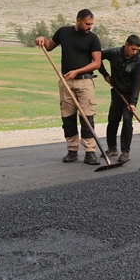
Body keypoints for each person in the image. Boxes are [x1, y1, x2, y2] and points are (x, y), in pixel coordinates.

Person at [35, 9, 102, 165]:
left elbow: (97, 63)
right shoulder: (63, 32)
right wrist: (41, 39)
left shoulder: (93, 38)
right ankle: (72, 151)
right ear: (78, 20)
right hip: (66, 82)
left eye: (91, 24)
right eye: (87, 24)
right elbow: (49, 46)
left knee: (87, 118)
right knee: (68, 118)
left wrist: (77, 72)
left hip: (85, 82)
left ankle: (90, 152)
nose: (90, 27)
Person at [98, 35, 140, 164]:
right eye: (132, 49)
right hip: (117, 92)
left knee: (127, 120)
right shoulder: (114, 53)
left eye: (137, 50)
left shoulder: (139, 61)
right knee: (113, 120)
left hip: (130, 95)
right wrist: (105, 74)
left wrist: (133, 103)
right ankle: (112, 148)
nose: (134, 52)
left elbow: (137, 83)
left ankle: (125, 152)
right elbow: (97, 57)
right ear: (126, 44)